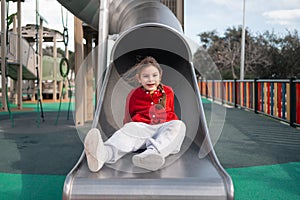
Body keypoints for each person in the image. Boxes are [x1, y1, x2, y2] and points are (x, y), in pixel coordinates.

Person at [84, 56, 186, 172]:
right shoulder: (134, 94)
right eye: (145, 76)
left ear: (160, 76)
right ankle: (103, 154)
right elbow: (129, 117)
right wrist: (127, 132)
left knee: (179, 125)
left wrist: (169, 126)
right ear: (139, 79)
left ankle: (152, 154)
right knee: (130, 128)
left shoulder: (168, 91)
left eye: (154, 75)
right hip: (143, 129)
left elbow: (170, 111)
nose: (150, 79)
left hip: (163, 129)